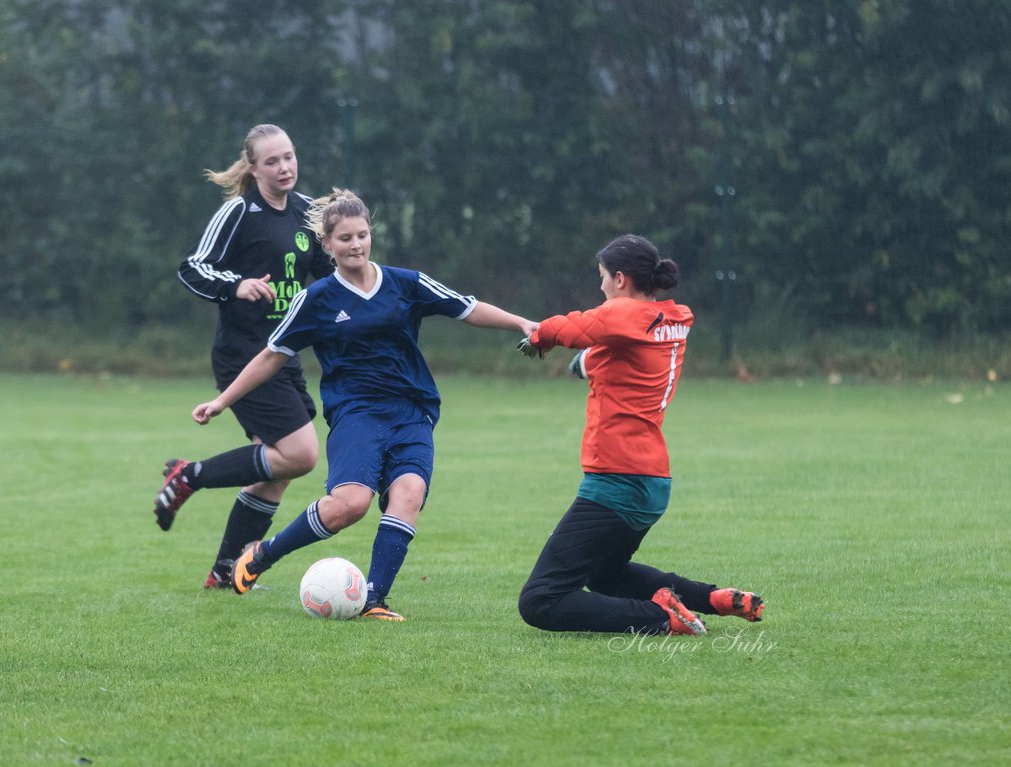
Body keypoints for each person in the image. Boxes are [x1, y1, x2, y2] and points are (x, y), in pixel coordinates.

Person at [191, 188, 539, 620]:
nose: (356, 245)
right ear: (328, 244)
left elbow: (466, 308)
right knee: (350, 505)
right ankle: (262, 553)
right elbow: (271, 354)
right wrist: (223, 401)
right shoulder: (317, 298)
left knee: (409, 493)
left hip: (412, 411)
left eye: (362, 235)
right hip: (356, 413)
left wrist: (521, 322)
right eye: (345, 239)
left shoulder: (405, 283)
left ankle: (373, 599)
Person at [516, 233, 765, 635]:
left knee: (541, 600)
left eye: (602, 278)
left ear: (620, 279)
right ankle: (711, 599)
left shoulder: (625, 316)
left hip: (617, 480)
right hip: (649, 481)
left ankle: (662, 617)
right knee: (607, 577)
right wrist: (588, 362)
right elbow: (620, 355)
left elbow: (579, 325)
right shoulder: (672, 319)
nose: (599, 288)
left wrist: (540, 335)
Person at [156, 124, 336, 590]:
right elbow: (192, 268)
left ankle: (225, 572)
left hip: (283, 356)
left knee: (275, 471)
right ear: (253, 168)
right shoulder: (239, 212)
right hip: (243, 356)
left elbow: (326, 277)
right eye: (272, 161)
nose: (284, 167)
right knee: (299, 455)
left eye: (289, 156)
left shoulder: (307, 213)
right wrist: (236, 285)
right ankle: (189, 476)